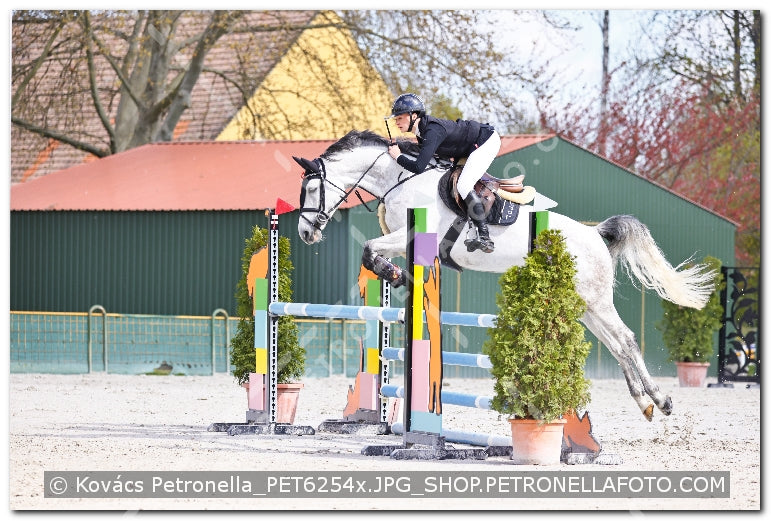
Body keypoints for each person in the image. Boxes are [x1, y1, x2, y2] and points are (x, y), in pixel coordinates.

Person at [387, 93, 500, 253]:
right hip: (469, 146)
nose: (396, 122)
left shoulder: (432, 131)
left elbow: (418, 167)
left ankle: (484, 236)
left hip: (485, 141)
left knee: (464, 185)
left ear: (414, 115)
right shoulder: (422, 132)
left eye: (399, 118)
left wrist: (398, 156)